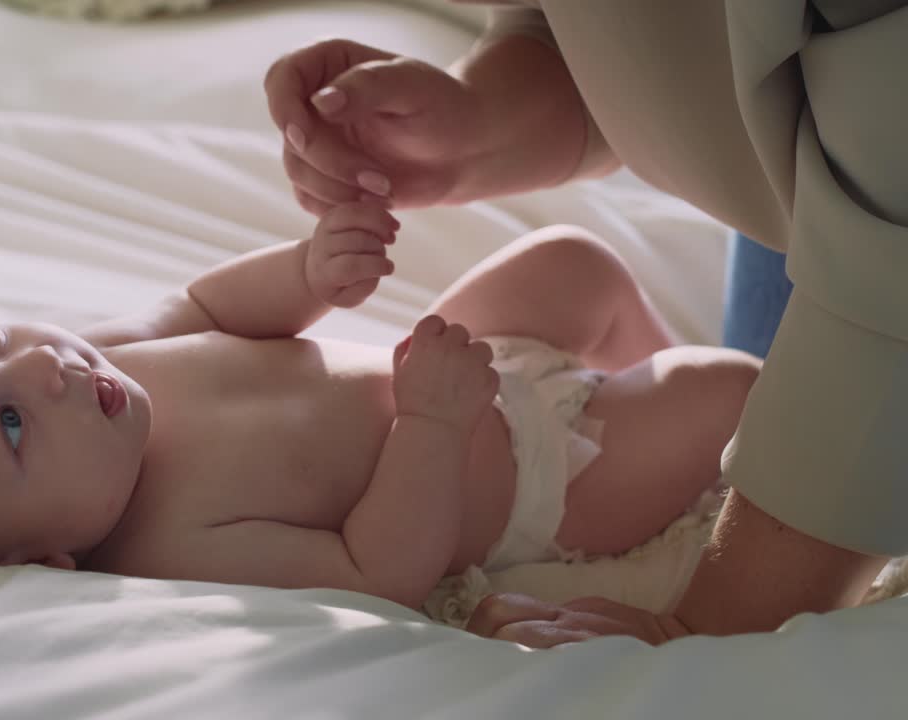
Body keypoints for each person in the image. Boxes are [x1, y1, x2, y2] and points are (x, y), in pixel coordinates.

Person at [261, 1, 905, 644]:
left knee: (739, 403)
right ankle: (708, 470)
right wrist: (484, 117)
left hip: (877, 223)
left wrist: (710, 626)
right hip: (830, 184)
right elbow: (637, 35)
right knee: (599, 287)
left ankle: (711, 478)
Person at [0, 200, 758, 613]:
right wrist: (432, 428)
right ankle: (684, 469)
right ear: (36, 559)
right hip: (536, 479)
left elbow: (201, 306)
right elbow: (379, 568)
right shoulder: (172, 539)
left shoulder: (98, 364)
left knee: (572, 260)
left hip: (452, 365)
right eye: (10, 425)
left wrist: (303, 271)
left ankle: (652, 390)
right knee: (727, 392)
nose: (41, 370)